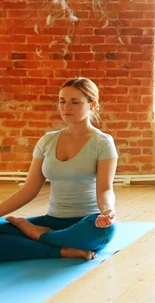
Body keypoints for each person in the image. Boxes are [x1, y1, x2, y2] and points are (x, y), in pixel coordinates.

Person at [0, 78, 118, 262]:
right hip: (52, 220)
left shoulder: (102, 142)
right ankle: (61, 249)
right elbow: (29, 190)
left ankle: (39, 237)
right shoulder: (47, 140)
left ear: (92, 105)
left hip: (86, 223)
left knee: (105, 231)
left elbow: (105, 188)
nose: (66, 107)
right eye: (62, 101)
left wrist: (107, 211)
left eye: (75, 102)